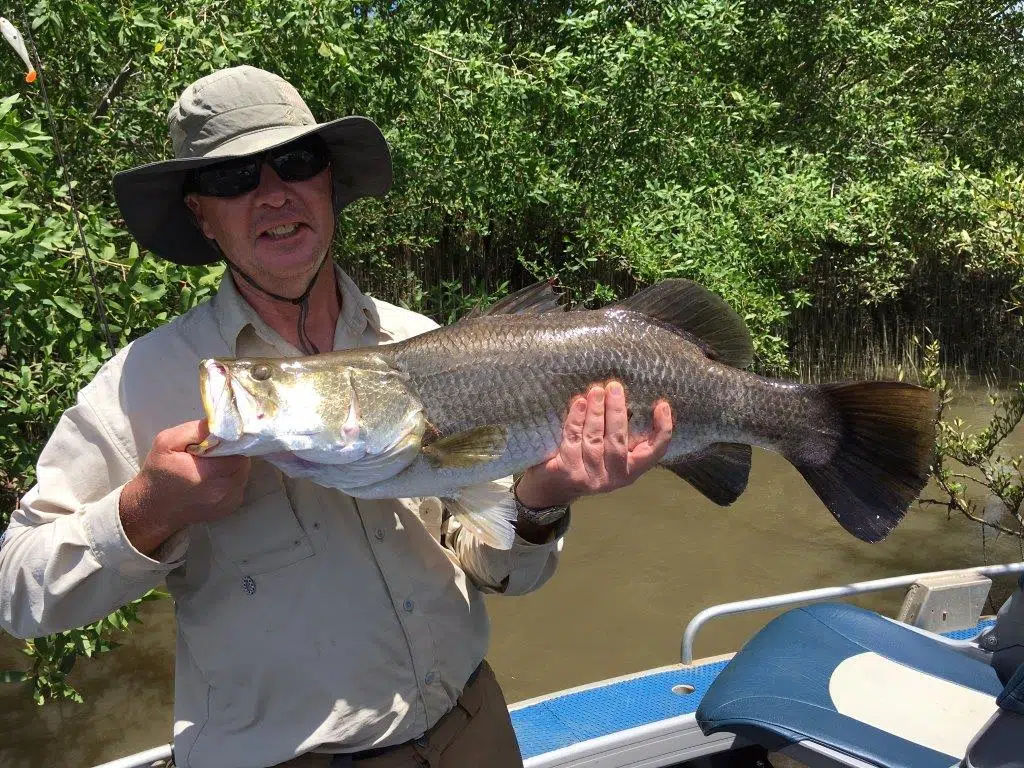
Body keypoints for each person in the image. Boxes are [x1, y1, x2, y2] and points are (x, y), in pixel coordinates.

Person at [0, 66, 673, 768]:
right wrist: (148, 510)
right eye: (233, 177)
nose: (272, 193)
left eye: (296, 162)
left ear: (328, 182)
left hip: (472, 729)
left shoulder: (426, 343)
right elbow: (15, 590)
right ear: (200, 214)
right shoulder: (146, 382)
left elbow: (499, 571)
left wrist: (541, 502)